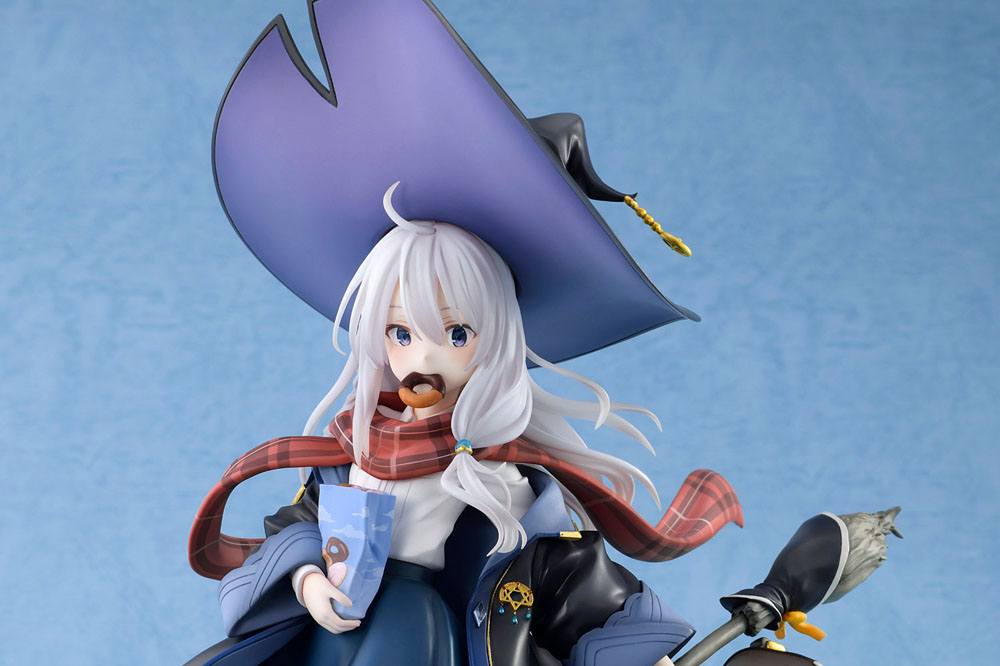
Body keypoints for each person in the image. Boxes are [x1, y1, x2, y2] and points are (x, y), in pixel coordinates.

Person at [187, 3, 744, 663]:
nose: (419, 358)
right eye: (399, 333)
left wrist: (641, 652)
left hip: (417, 628)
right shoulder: (352, 445)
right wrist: (307, 580)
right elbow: (299, 523)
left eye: (454, 334)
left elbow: (571, 580)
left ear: (496, 339)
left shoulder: (498, 468)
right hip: (329, 629)